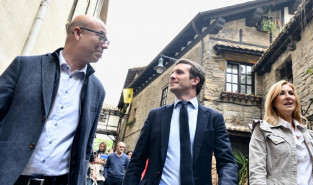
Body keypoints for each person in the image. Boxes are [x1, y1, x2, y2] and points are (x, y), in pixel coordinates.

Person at [0, 15, 108, 185]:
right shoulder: (25, 67)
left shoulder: (98, 90)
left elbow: (86, 147)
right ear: (78, 33)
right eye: (101, 37)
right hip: (9, 177)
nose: (105, 45)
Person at [123, 59, 238, 185]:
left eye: (179, 72)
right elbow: (136, 162)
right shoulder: (155, 116)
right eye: (172, 73)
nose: (172, 76)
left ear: (195, 80)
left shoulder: (213, 118)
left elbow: (227, 162)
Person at [249, 80, 313, 185]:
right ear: (273, 102)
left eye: (291, 93)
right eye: (282, 93)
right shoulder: (263, 130)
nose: (288, 97)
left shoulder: (307, 134)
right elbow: (257, 175)